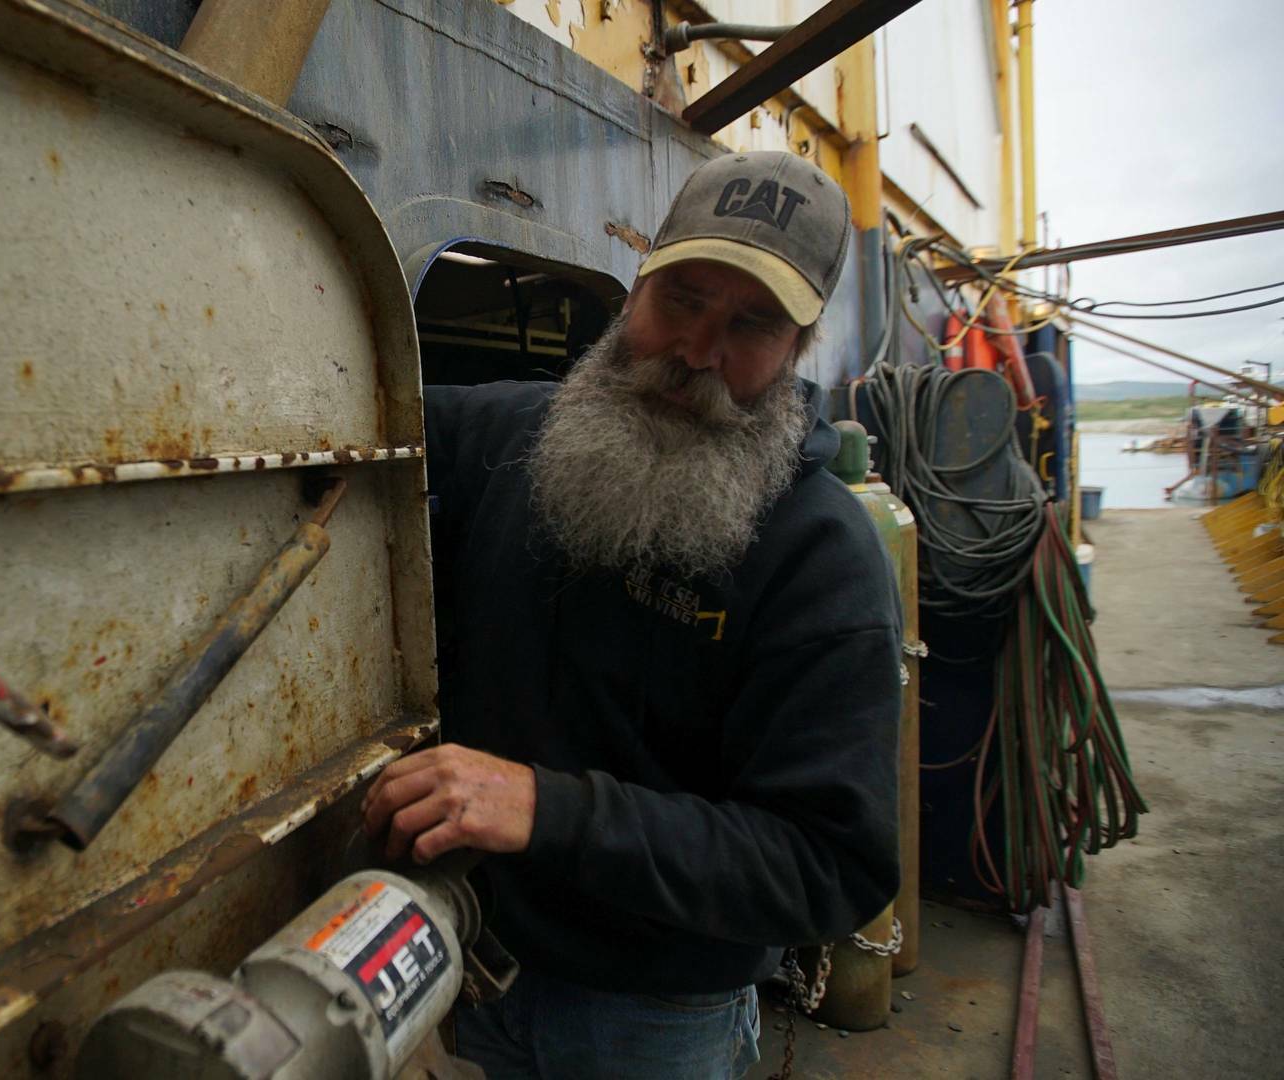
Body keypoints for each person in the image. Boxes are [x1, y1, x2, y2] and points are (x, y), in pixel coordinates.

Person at [362, 151, 901, 1079]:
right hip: (461, 964)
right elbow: (327, 422)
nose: (697, 350)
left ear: (800, 348)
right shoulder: (502, 436)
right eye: (681, 299)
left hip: (655, 1022)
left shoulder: (822, 558)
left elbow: (827, 865)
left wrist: (545, 807)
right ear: (636, 283)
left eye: (752, 325)